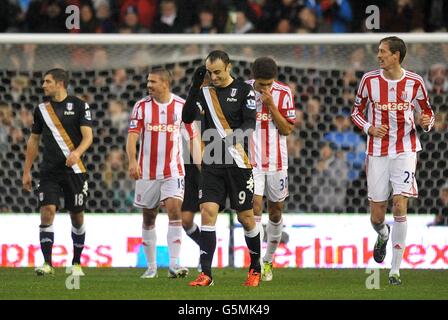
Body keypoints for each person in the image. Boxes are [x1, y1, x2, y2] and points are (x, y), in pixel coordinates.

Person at [351, 36, 435, 285]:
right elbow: (356, 112)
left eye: (383, 51)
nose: (379, 56)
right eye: (379, 51)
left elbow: (428, 113)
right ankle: (383, 235)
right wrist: (368, 128)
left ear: (396, 55)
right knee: (377, 216)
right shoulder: (369, 80)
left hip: (405, 149)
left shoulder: (415, 82)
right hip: (376, 152)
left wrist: (426, 123)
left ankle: (395, 270)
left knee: (400, 204)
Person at [182, 50, 261, 287]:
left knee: (246, 217)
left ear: (229, 67)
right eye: (210, 72)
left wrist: (229, 140)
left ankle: (255, 268)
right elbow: (187, 117)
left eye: (218, 72)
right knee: (207, 212)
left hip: (238, 162)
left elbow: (249, 124)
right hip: (212, 163)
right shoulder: (204, 92)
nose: (214, 77)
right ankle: (206, 273)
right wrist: (195, 85)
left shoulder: (245, 91)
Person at [22, 68, 93, 276]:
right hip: (49, 171)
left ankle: (77, 263)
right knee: (47, 212)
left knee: (77, 216)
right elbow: (33, 140)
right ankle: (47, 263)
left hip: (75, 171)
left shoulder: (80, 106)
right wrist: (26, 171)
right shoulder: (41, 109)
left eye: (47, 81)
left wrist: (77, 153)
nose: (43, 85)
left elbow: (88, 137)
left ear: (60, 83)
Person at [126, 67, 195, 279]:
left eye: (153, 82)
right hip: (146, 172)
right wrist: (131, 161)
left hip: (173, 170)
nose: (149, 85)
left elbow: (192, 138)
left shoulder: (182, 106)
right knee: (149, 217)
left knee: (174, 210)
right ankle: (152, 266)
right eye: (148, 81)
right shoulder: (141, 107)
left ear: (165, 83)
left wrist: (203, 167)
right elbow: (132, 137)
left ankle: (174, 265)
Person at [246, 57, 295, 281]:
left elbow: (286, 130)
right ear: (254, 78)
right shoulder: (242, 92)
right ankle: (255, 263)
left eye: (269, 84)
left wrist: (271, 105)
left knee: (275, 211)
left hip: (277, 163)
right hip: (250, 162)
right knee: (255, 207)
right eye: (261, 84)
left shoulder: (283, 93)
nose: (265, 88)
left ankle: (268, 260)